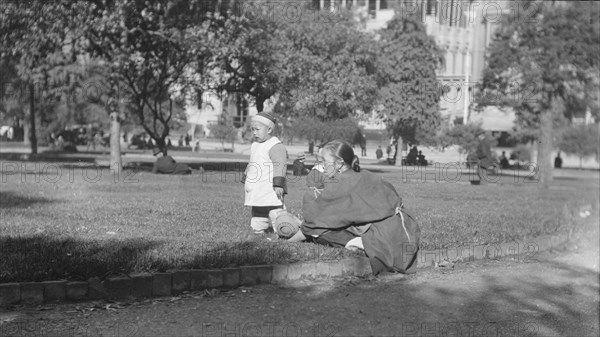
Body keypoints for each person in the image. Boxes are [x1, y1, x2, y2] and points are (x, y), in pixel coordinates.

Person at [288, 140, 420, 275]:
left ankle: (359, 244)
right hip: (405, 233)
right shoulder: (366, 175)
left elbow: (313, 225)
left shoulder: (338, 184)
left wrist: (289, 242)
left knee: (320, 234)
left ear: (339, 163)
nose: (321, 166)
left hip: (380, 239)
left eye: (325, 162)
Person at [242, 112, 288, 235]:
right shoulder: (255, 145)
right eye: (252, 130)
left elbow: (280, 165)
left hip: (270, 187)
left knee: (275, 209)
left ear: (269, 129)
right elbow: (253, 162)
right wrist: (246, 175)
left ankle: (283, 229)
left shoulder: (275, 146)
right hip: (258, 187)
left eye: (257, 129)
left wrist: (278, 184)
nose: (254, 133)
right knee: (258, 207)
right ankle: (258, 229)